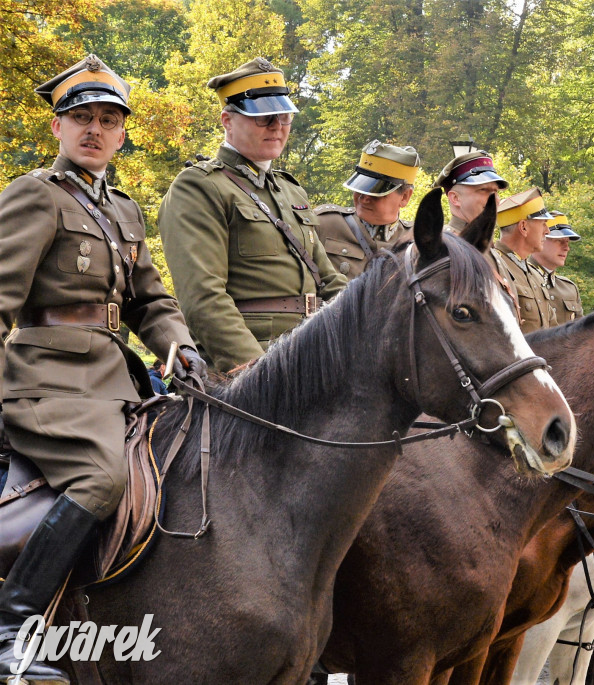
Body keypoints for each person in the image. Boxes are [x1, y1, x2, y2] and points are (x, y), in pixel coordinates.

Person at [0, 55, 206, 681]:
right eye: (81, 118)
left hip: (118, 379)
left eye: (108, 120)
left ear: (121, 135)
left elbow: (152, 301)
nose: (94, 129)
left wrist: (181, 345)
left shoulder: (123, 210)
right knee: (100, 480)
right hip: (46, 382)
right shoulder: (35, 194)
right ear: (58, 128)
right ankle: (13, 626)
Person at [159, 58, 346, 373]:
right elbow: (204, 299)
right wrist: (257, 372)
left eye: (283, 116)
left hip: (316, 353)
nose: (276, 125)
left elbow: (327, 280)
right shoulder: (200, 187)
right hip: (253, 367)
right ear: (227, 121)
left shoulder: (291, 191)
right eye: (262, 117)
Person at [313, 140, 420, 277]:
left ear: (405, 197)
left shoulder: (416, 240)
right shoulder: (323, 224)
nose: (363, 198)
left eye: (375, 193)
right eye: (360, 188)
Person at [490, 188, 556, 333]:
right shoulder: (494, 267)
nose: (547, 231)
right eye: (543, 223)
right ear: (523, 227)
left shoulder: (536, 275)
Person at [433, 150, 508, 235]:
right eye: (483, 190)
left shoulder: (482, 242)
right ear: (455, 198)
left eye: (495, 191)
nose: (495, 199)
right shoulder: (442, 244)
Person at [529, 211, 583, 325]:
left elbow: (581, 335)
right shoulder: (520, 278)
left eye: (567, 242)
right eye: (559, 241)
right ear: (541, 238)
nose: (566, 248)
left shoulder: (569, 288)